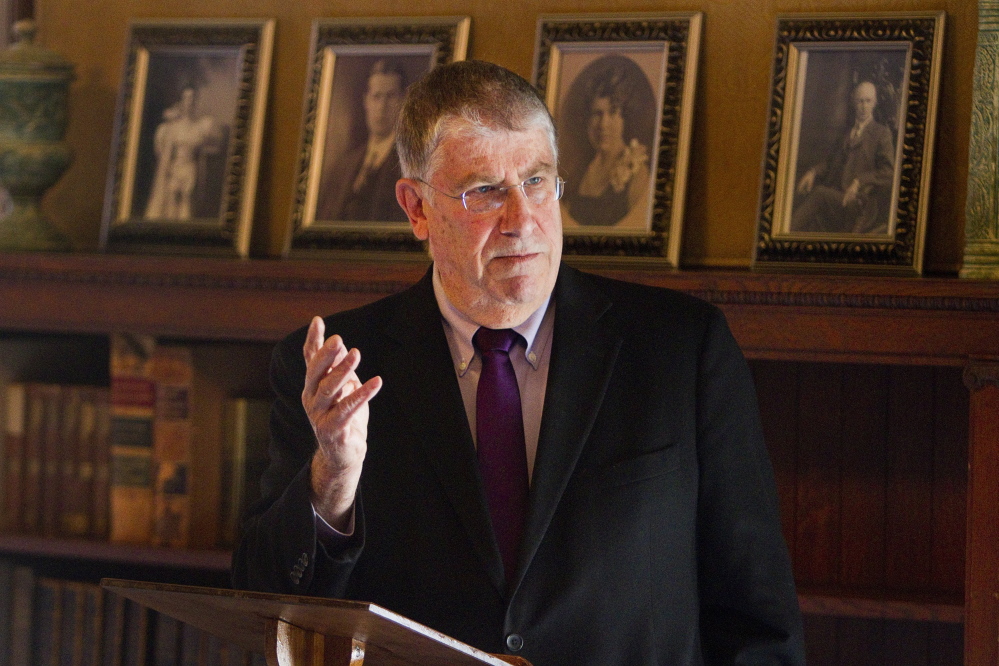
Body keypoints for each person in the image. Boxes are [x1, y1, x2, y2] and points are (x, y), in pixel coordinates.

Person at [233, 60, 805, 665]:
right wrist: (333, 480)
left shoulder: (681, 349)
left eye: (536, 182)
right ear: (416, 208)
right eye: (484, 191)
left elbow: (758, 622)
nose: (522, 220)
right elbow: (267, 605)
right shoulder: (335, 366)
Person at [791, 80, 896, 235]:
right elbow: (830, 163)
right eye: (860, 101)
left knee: (819, 193)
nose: (864, 106)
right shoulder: (847, 132)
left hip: (860, 202)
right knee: (804, 195)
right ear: (854, 103)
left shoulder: (881, 133)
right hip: (838, 195)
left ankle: (787, 232)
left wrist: (859, 181)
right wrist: (812, 172)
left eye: (868, 101)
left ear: (874, 103)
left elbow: (888, 172)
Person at [561, 55, 654, 228]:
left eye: (612, 113)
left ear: (624, 118)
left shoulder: (637, 174)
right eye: (597, 114)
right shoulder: (577, 172)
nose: (603, 124)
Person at [315, 58, 409, 223]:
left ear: (402, 101)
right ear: (366, 101)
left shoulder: (409, 165)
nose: (382, 107)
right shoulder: (344, 166)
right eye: (376, 96)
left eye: (390, 96)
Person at [144, 87, 219, 220]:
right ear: (181, 101)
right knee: (172, 202)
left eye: (192, 98)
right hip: (174, 168)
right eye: (186, 98)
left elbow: (210, 149)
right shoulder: (171, 127)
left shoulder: (199, 127)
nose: (190, 102)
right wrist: (169, 168)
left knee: (187, 204)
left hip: (190, 169)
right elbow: (163, 151)